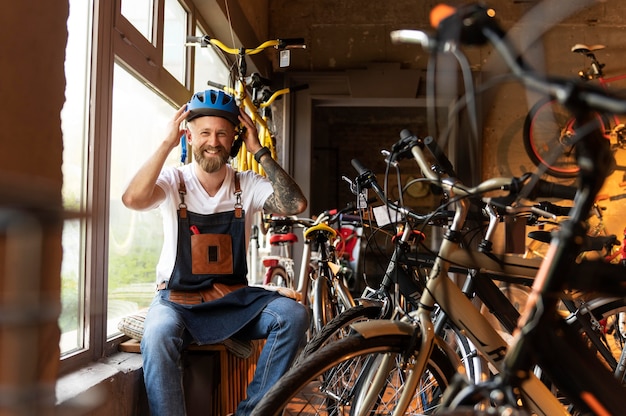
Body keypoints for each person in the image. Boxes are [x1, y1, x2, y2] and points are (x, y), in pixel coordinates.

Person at [121, 89, 309, 416]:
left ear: (235, 137)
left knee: (293, 316)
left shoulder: (245, 184)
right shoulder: (173, 181)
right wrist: (166, 143)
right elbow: (132, 199)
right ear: (189, 135)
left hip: (233, 302)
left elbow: (296, 205)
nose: (213, 141)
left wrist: (259, 150)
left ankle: (251, 413)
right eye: (205, 132)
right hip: (177, 301)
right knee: (158, 334)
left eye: (222, 133)